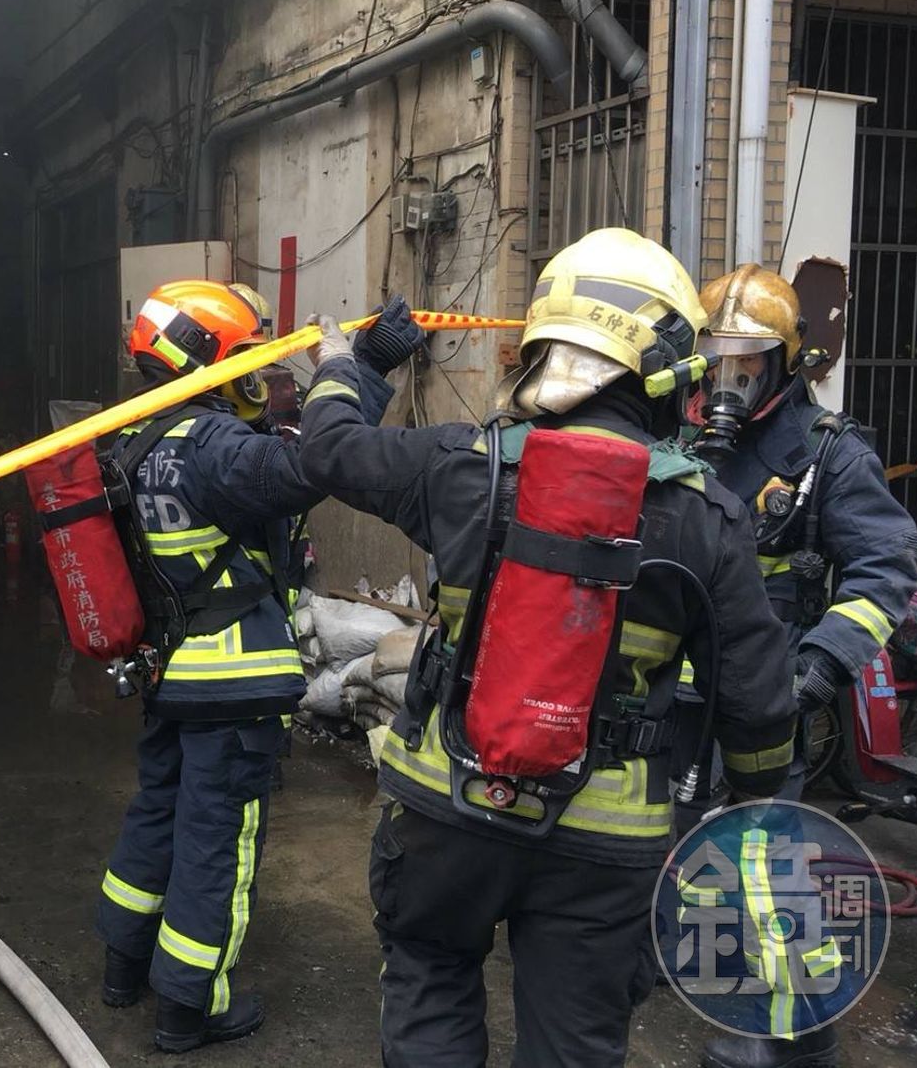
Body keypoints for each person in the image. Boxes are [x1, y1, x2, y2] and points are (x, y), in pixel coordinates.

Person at [295, 228, 798, 1068]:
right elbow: (755, 703)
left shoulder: (460, 465)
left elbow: (327, 448)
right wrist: (749, 797)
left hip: (449, 806)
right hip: (603, 846)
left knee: (430, 981)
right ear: (666, 368)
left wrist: (351, 363)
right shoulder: (708, 516)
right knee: (574, 1045)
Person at [95, 279, 392, 1053]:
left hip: (170, 673)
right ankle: (189, 1005)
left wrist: (366, 371)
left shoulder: (136, 442)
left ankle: (124, 966)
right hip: (232, 685)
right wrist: (353, 370)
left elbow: (291, 455)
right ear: (206, 359)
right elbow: (328, 460)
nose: (257, 373)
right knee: (216, 843)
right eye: (246, 357)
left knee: (157, 814)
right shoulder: (215, 447)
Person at [675, 266, 917, 1068]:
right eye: (717, 358)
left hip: (765, 696)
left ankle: (798, 1031)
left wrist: (819, 667)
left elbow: (884, 569)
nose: (728, 378)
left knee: (764, 862)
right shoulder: (675, 437)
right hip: (670, 695)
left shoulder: (827, 454)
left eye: (746, 361)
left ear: (783, 362)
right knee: (671, 847)